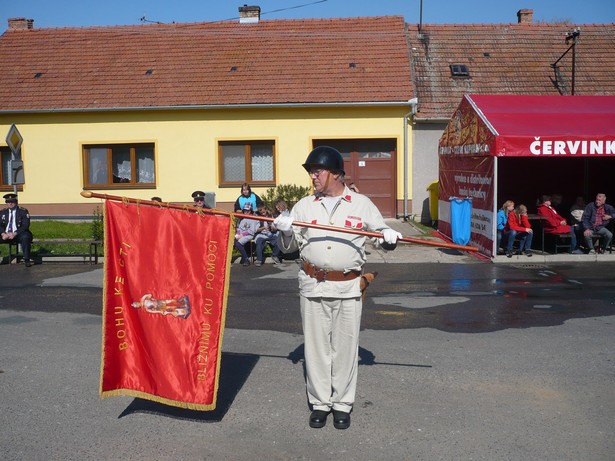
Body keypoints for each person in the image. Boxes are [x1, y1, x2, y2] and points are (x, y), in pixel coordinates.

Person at [273, 146, 402, 430]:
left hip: (347, 287)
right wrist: (284, 232)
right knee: (317, 349)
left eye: (317, 171)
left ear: (334, 173)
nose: (312, 176)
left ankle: (342, 403)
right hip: (313, 285)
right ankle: (320, 403)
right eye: (310, 171)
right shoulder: (305, 206)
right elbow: (291, 248)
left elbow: (381, 236)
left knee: (345, 348)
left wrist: (388, 237)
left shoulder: (361, 204)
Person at [0, 193, 33, 267]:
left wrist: (15, 233)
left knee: (25, 237)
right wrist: (3, 233)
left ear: (16, 202)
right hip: (6, 234)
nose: (10, 203)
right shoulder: (2, 212)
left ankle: (27, 259)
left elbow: (25, 225)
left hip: (19, 234)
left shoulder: (23, 211)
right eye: (8, 202)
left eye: (12, 201)